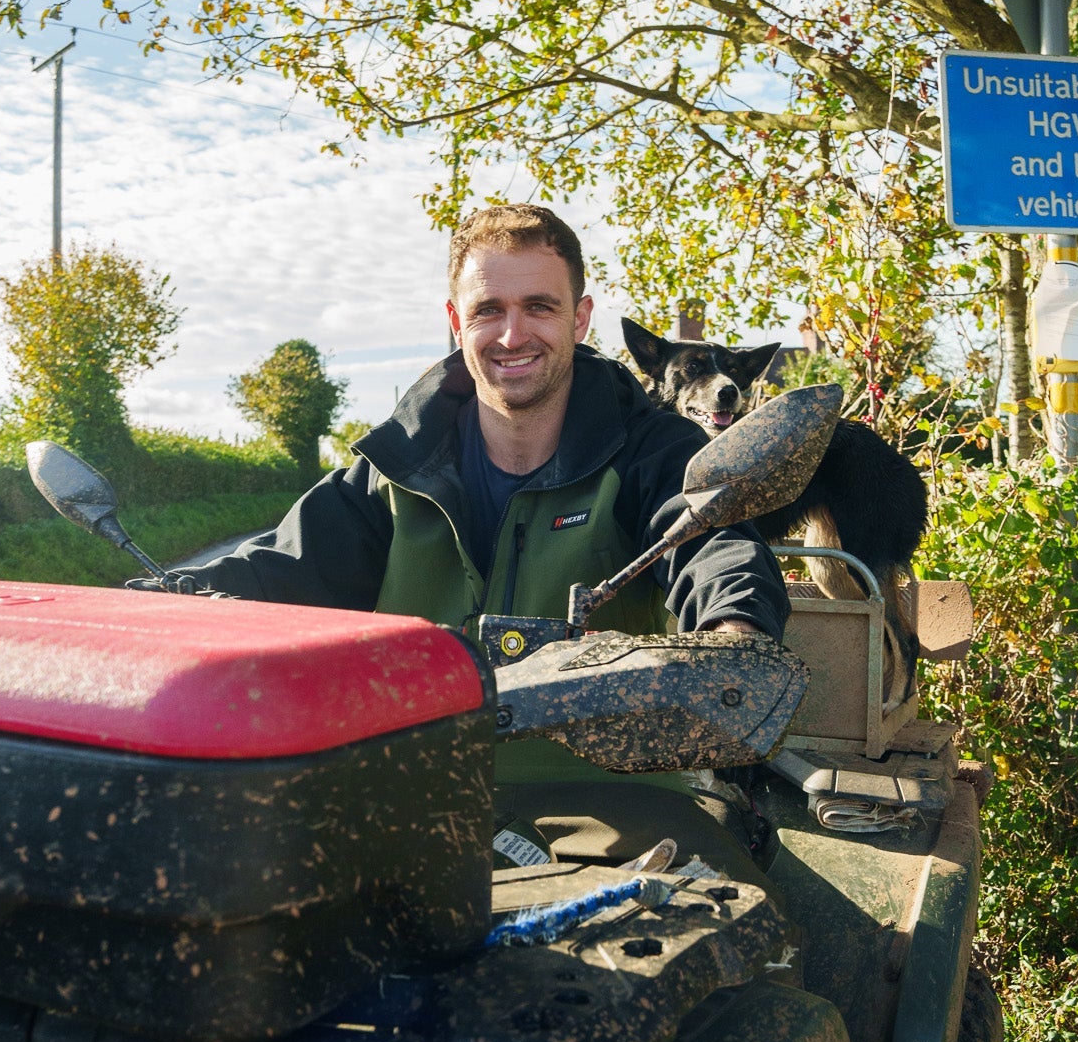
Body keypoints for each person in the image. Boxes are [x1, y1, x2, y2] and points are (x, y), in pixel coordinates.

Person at [188, 206, 790, 875]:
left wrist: (735, 628)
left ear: (579, 318)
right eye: (487, 310)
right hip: (404, 796)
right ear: (456, 321)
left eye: (538, 306)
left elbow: (710, 542)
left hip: (609, 805)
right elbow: (280, 571)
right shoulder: (392, 465)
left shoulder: (648, 448)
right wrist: (158, 605)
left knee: (719, 932)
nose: (512, 334)